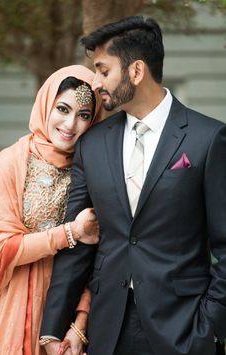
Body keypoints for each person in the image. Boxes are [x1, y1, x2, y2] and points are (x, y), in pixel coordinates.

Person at [40, 16, 226, 355]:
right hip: (107, 330)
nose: (95, 83)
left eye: (103, 70)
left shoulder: (208, 139)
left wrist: (210, 325)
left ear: (136, 71)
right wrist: (53, 331)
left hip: (185, 330)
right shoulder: (91, 145)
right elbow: (79, 245)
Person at [0, 65, 103, 355]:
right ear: (45, 105)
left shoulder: (95, 169)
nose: (70, 124)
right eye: (63, 109)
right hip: (11, 307)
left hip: (65, 311)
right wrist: (71, 232)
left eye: (84, 115)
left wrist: (80, 321)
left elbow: (99, 259)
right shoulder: (11, 163)